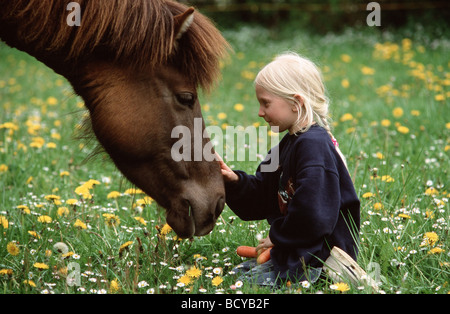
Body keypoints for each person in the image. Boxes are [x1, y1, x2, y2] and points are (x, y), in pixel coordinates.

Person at [217, 52, 360, 287]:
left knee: (248, 283)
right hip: (298, 249)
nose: (260, 112)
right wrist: (233, 181)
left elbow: (313, 214)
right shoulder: (290, 143)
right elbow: (264, 196)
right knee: (240, 275)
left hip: (321, 259)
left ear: (296, 103)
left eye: (266, 103)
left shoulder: (314, 146)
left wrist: (276, 236)